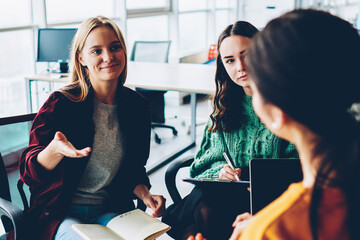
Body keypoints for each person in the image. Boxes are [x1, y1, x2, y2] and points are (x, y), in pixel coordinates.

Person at [192, 8, 360, 240]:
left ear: (279, 111)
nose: (241, 69)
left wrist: (262, 224)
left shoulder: (270, 231)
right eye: (230, 60)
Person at [17, 16, 166, 240]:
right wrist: (54, 151)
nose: (108, 57)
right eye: (96, 51)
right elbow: (29, 173)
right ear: (81, 57)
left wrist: (145, 195)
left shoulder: (137, 107)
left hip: (111, 210)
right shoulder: (62, 103)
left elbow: (134, 168)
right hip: (61, 213)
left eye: (115, 47)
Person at [162, 21, 298, 240]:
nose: (240, 67)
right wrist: (220, 171)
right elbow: (202, 164)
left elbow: (301, 168)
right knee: (206, 201)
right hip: (227, 195)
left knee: (204, 213)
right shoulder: (224, 104)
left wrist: (266, 185)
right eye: (230, 60)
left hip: (274, 198)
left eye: (247, 55)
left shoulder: (287, 104)